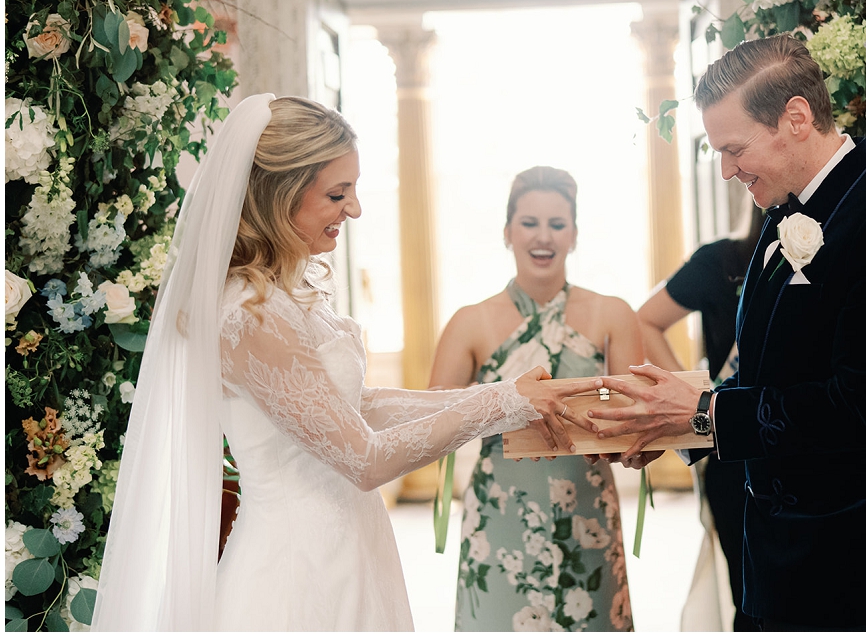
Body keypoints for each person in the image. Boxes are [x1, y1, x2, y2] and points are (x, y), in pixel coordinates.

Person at [91, 95, 592, 631]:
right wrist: (504, 402)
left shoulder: (285, 293)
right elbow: (364, 459)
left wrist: (508, 398)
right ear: (278, 194)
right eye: (337, 193)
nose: (355, 209)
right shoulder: (249, 313)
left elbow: (356, 408)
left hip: (348, 547)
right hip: (297, 572)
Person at [589, 35, 866, 631]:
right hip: (770, 549)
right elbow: (767, 377)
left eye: (735, 149)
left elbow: (863, 409)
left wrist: (707, 414)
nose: (728, 169)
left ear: (795, 118)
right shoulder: (783, 213)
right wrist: (677, 422)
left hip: (844, 559)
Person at [428, 166, 640, 632]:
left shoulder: (614, 314)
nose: (543, 236)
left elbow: (642, 429)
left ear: (574, 235)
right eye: (528, 223)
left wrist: (637, 444)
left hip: (586, 509)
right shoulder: (470, 322)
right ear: (507, 232)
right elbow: (430, 425)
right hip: (498, 512)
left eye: (557, 224)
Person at [636, 202, 765, 632]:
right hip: (732, 453)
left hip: (802, 443)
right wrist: (695, 398)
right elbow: (646, 321)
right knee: (751, 596)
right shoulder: (721, 260)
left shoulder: (833, 254)